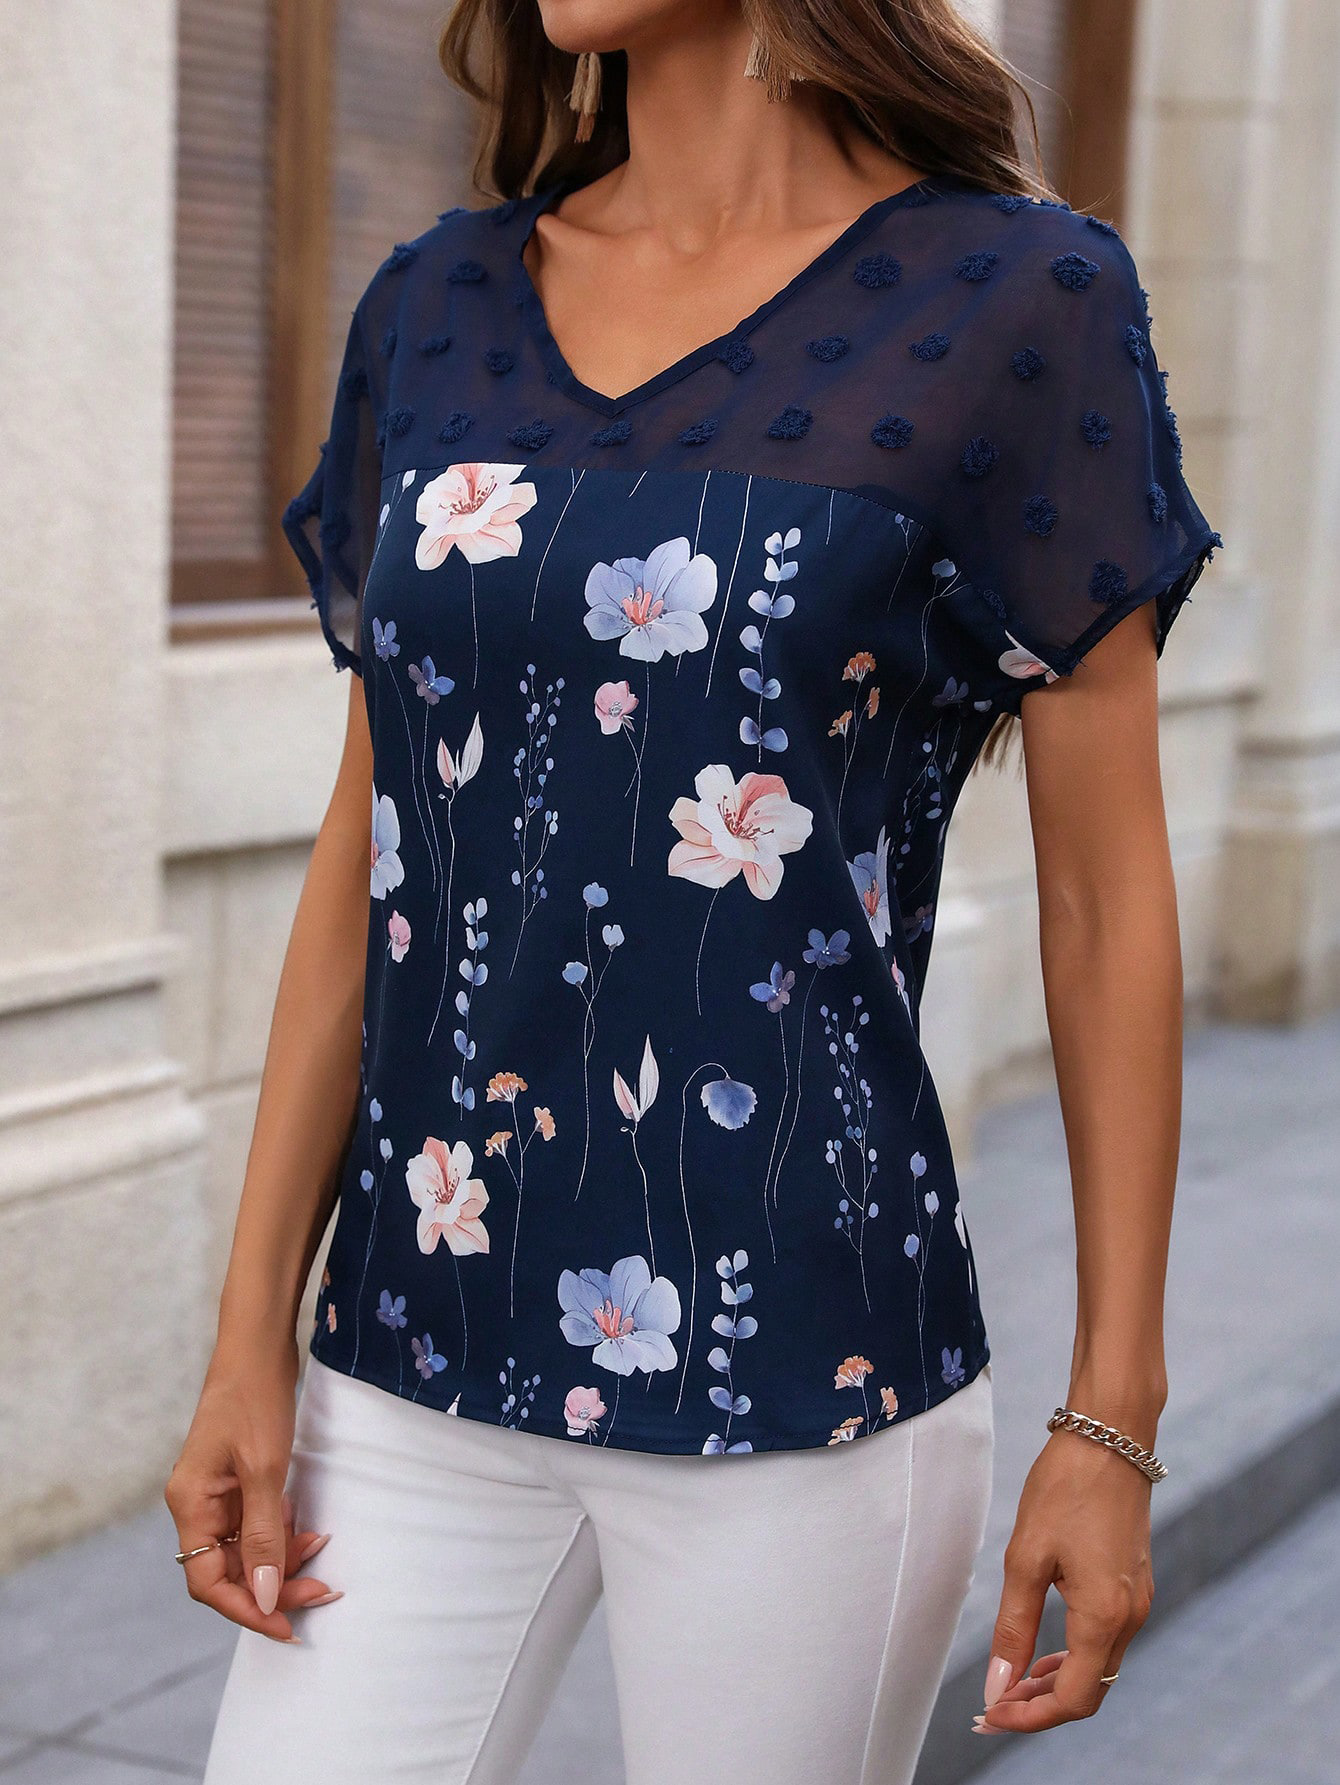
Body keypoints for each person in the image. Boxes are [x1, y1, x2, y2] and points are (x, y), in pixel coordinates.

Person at [170, 2, 1219, 1780]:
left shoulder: (1019, 302)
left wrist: (1112, 1414)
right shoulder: (437, 302)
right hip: (413, 1343)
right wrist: (244, 1334)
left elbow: (1107, 904)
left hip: (802, 1371)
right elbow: (372, 853)